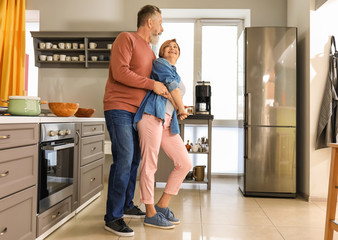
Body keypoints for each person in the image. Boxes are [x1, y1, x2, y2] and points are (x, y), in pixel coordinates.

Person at [103, 5, 168, 237]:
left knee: (134, 161)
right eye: (160, 22)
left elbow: (156, 82)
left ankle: (127, 204)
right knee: (124, 159)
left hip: (139, 113)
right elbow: (120, 72)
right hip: (119, 107)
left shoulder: (151, 52)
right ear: (149, 22)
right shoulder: (126, 38)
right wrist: (152, 84)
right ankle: (113, 217)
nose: (162, 27)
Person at [134, 39, 192, 229]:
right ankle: (150, 213)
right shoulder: (160, 63)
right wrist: (181, 108)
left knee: (184, 163)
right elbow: (171, 87)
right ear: (161, 51)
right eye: (168, 46)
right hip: (152, 115)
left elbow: (172, 92)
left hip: (167, 121)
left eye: (176, 47)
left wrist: (178, 106)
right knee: (150, 165)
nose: (172, 48)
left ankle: (162, 206)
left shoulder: (175, 71)